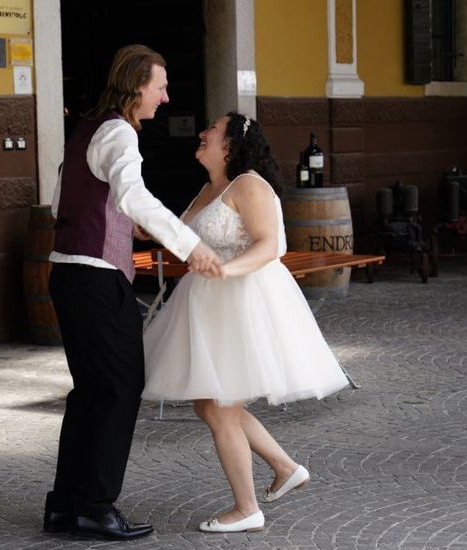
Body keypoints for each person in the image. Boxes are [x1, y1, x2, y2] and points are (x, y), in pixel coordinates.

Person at [45, 44, 223, 541]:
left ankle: (66, 505)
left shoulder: (88, 126)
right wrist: (190, 246)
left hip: (68, 274)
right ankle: (96, 507)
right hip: (98, 279)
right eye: (160, 87)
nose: (166, 98)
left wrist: (126, 228)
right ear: (137, 84)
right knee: (121, 390)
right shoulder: (120, 131)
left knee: (90, 394)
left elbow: (69, 196)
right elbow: (131, 194)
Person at [142, 112, 350, 533]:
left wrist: (228, 273)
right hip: (206, 304)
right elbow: (182, 236)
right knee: (212, 401)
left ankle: (246, 508)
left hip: (241, 303)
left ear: (232, 144)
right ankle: (285, 467)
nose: (202, 133)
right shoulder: (208, 188)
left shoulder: (250, 185)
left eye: (212, 130)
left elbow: (269, 245)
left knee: (220, 408)